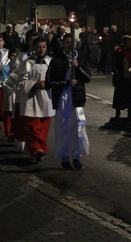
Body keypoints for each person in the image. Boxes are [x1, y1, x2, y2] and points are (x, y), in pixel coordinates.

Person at [47, 34, 91, 170]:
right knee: (64, 129)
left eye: (72, 43)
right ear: (62, 44)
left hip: (77, 98)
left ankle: (77, 157)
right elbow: (50, 82)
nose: (69, 45)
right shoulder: (56, 60)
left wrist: (77, 67)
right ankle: (64, 157)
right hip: (63, 97)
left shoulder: (80, 58)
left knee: (79, 128)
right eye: (67, 42)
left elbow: (87, 78)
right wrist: (65, 83)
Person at [11, 37, 54, 162]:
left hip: (46, 98)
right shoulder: (27, 63)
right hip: (31, 98)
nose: (41, 49)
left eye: (44, 47)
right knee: (32, 127)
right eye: (39, 47)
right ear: (34, 48)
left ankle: (39, 148)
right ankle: (37, 149)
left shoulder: (51, 62)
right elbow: (18, 80)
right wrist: (34, 84)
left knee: (44, 126)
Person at [111, 35, 131, 119]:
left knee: (129, 94)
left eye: (130, 43)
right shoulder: (119, 51)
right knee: (119, 94)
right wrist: (116, 72)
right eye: (127, 43)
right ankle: (118, 111)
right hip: (120, 76)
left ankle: (129, 111)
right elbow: (113, 62)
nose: (128, 44)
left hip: (129, 76)